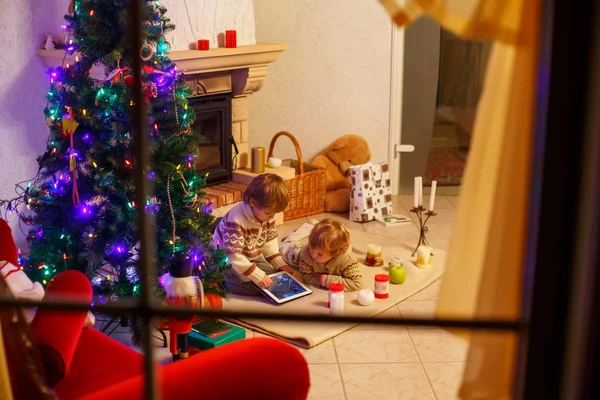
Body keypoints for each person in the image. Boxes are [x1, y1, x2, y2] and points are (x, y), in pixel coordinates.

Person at [213, 173, 294, 295]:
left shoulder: (268, 215)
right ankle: (221, 280)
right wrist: (257, 275)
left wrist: (279, 264)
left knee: (275, 277)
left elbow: (269, 242)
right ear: (252, 203)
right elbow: (234, 257)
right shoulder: (235, 221)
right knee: (252, 286)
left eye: (275, 214)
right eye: (268, 213)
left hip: (251, 255)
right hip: (227, 260)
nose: (272, 217)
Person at [280, 218, 362, 291]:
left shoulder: (347, 261)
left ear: (335, 254)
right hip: (298, 250)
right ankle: (307, 228)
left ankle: (311, 226)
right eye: (312, 249)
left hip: (316, 244)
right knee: (282, 248)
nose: (313, 255)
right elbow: (307, 277)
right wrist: (320, 280)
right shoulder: (306, 253)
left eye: (319, 254)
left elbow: (356, 283)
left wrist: (327, 280)